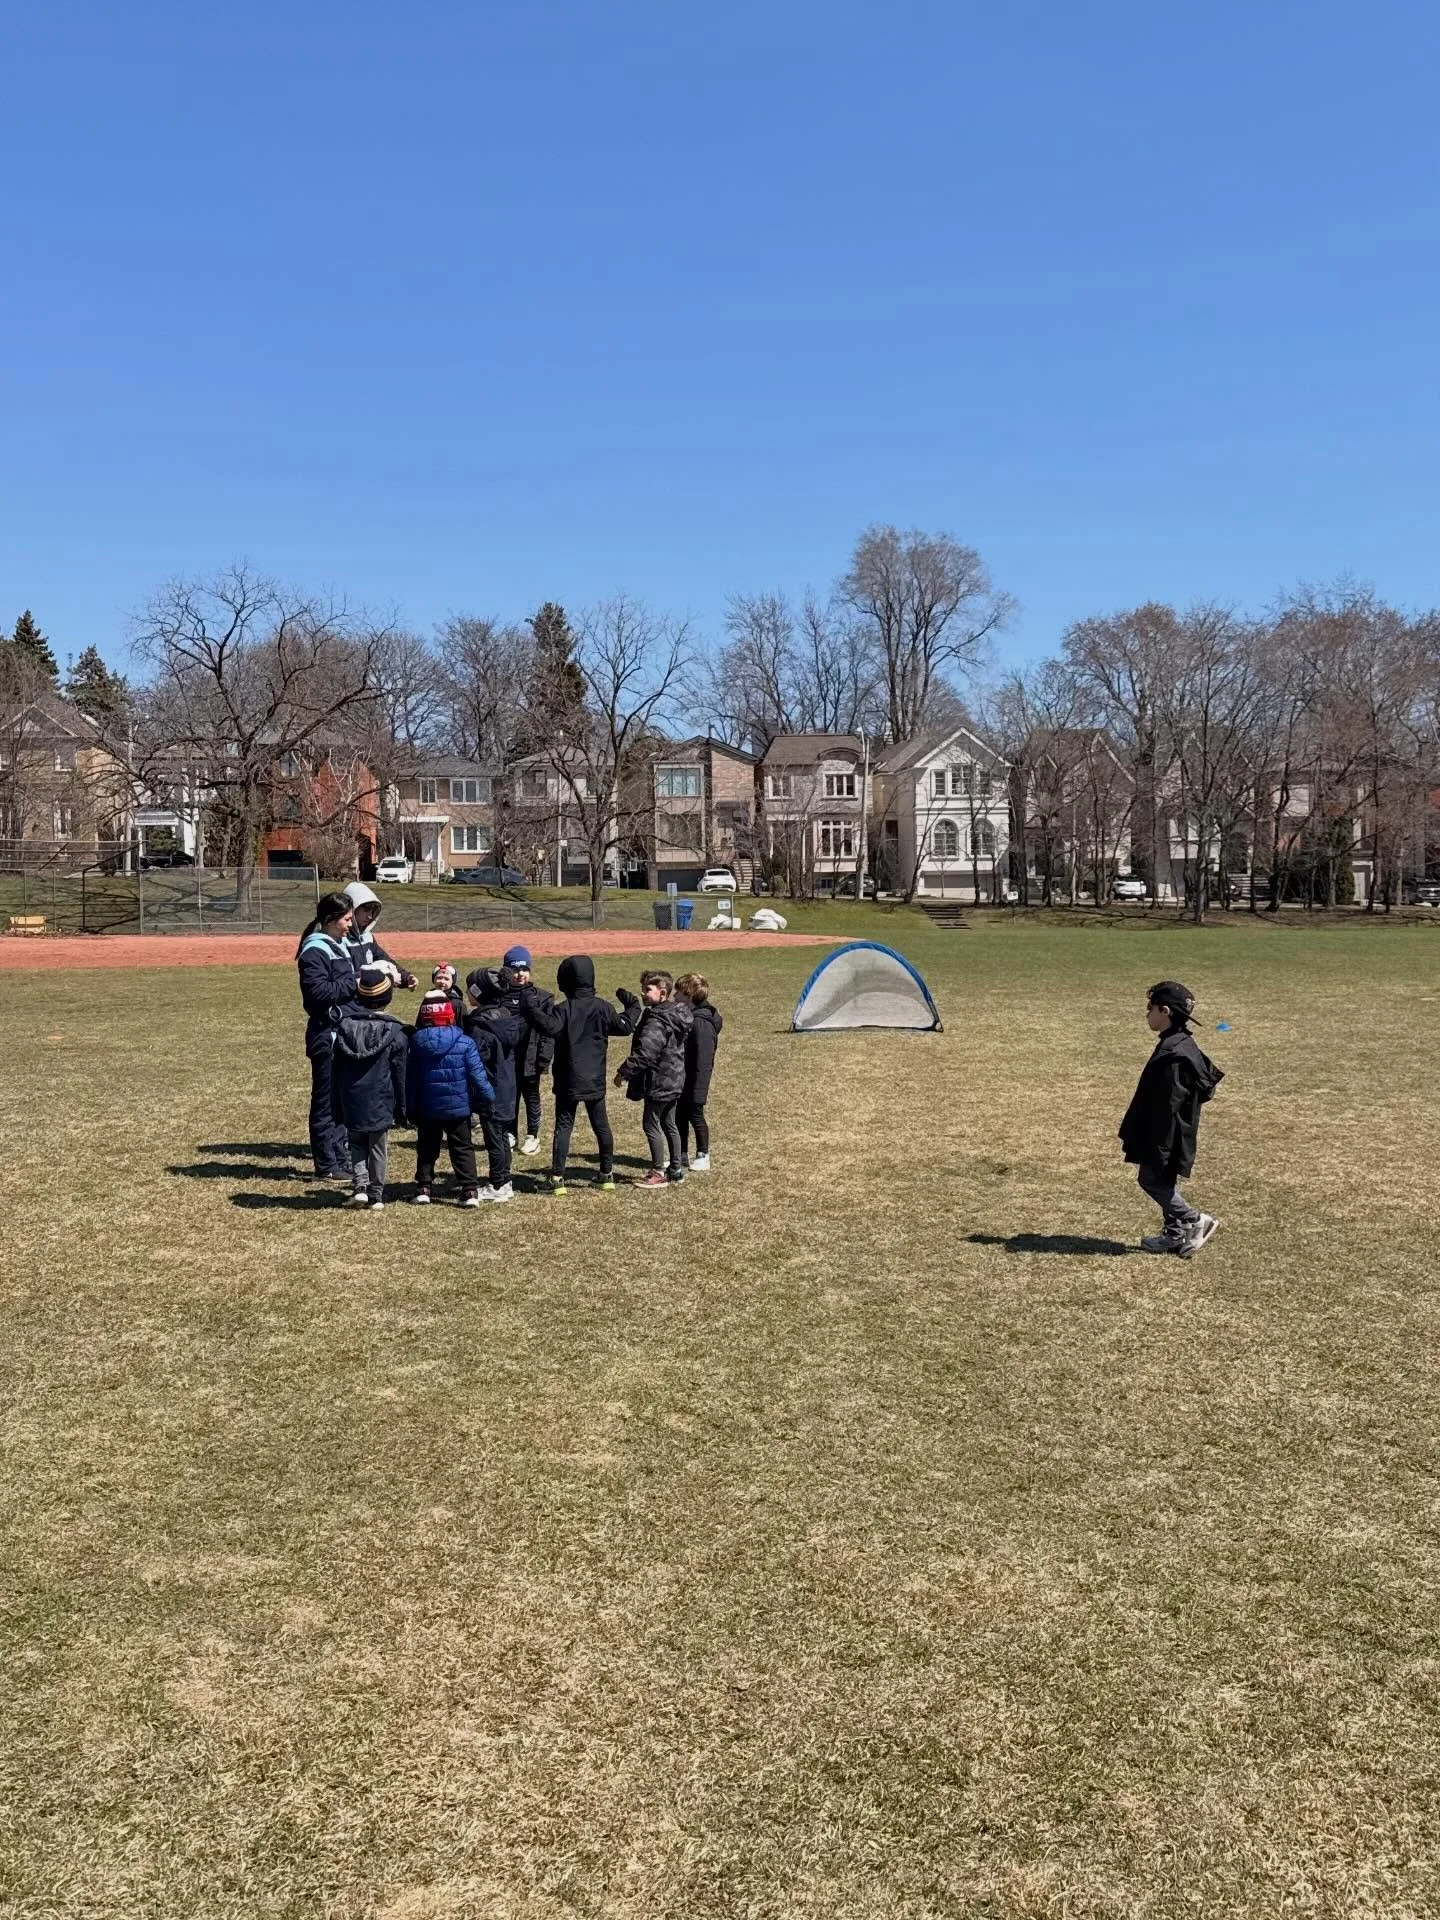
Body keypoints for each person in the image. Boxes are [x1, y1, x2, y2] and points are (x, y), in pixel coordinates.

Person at [1119, 980, 1224, 1258]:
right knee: (1165, 1182)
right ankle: (1175, 1234)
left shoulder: (1174, 1053)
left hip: (1166, 1132)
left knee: (1151, 1180)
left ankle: (1193, 1219)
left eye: (1149, 1008)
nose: (1146, 1014)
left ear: (1165, 1011)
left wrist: (1155, 1140)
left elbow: (1168, 1103)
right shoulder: (1181, 1043)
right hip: (1172, 1131)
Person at [517, 956, 639, 1194]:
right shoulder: (603, 1007)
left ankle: (557, 1178)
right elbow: (625, 1026)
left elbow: (547, 1026)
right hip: (594, 1078)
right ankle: (606, 1174)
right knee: (601, 1126)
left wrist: (529, 1006)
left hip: (568, 1079)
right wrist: (633, 1005)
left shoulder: (563, 1010)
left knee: (564, 1126)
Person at [407, 989, 496, 1207]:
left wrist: (410, 1107)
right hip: (458, 1107)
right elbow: (478, 1075)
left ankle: (424, 1187)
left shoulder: (416, 1042)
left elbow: (410, 1078)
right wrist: (488, 1097)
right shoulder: (464, 1042)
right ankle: (469, 1189)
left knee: (427, 1147)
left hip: (428, 1106)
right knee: (462, 1147)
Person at [333, 964, 410, 1210]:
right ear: (387, 998)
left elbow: (336, 1069)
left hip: (352, 1095)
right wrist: (403, 1106)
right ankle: (376, 1193)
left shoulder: (344, 1028)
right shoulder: (396, 1033)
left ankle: (360, 1187)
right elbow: (400, 1073)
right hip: (381, 1097)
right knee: (378, 1147)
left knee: (355, 1143)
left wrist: (337, 1101)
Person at [296, 892, 359, 1179]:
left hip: (343, 1033)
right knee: (325, 1101)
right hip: (326, 1035)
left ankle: (341, 1157)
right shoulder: (314, 951)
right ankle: (327, 1163)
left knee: (342, 1100)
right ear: (331, 920)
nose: (350, 924)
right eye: (347, 919)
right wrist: (354, 982)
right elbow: (318, 994)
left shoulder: (339, 946)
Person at [615, 970, 693, 1190]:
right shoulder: (677, 1014)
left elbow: (646, 1053)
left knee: (651, 1124)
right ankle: (676, 1169)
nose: (643, 993)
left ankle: (658, 1171)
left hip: (659, 1081)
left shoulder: (657, 1020)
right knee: (670, 1123)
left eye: (648, 989)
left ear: (663, 993)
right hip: (675, 1079)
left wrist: (624, 1072)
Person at [462, 967, 524, 1202]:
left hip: (491, 1089)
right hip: (507, 1085)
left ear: (478, 992)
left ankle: (499, 1183)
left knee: (494, 1139)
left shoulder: (481, 1026)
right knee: (502, 1135)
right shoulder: (505, 1017)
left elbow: (476, 1057)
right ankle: (504, 1179)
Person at [502, 945, 554, 1154]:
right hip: (507, 1057)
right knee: (509, 1096)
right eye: (515, 970)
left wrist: (544, 1058)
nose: (520, 974)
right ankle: (510, 1132)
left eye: (524, 969)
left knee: (531, 1096)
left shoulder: (541, 998)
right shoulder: (500, 996)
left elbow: (549, 1032)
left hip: (530, 1057)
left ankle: (533, 1135)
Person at [674, 972, 722, 1171]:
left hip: (695, 1080)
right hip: (683, 1077)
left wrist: (699, 1088)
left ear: (689, 995)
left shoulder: (701, 1024)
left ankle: (703, 1154)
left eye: (678, 992)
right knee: (679, 1115)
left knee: (695, 1114)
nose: (674, 996)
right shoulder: (689, 1018)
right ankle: (681, 1154)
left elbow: (703, 1060)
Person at [339, 881, 419, 991]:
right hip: (348, 1003)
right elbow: (342, 978)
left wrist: (406, 977)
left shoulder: (367, 937)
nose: (370, 916)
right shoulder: (338, 940)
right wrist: (383, 975)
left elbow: (384, 959)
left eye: (372, 911)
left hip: (367, 1000)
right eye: (366, 910)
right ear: (352, 909)